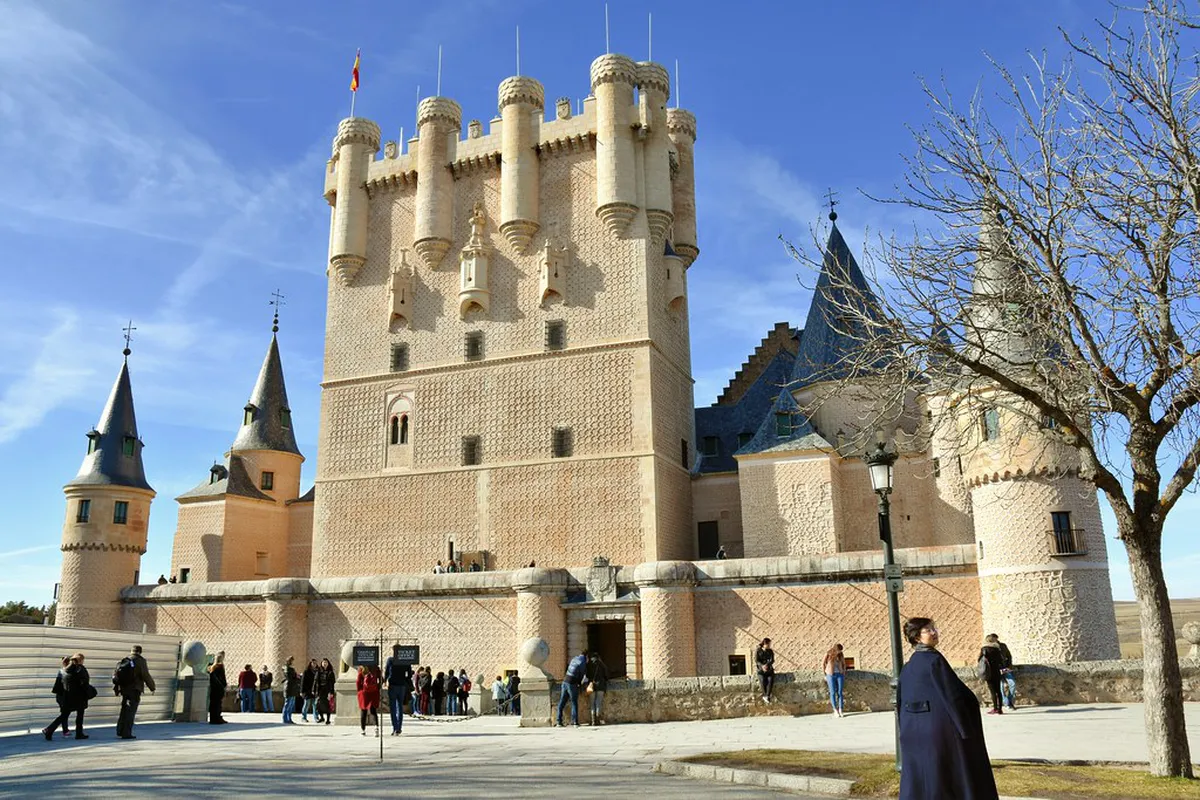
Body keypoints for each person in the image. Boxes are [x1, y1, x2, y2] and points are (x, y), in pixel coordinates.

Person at [898, 617, 999, 800]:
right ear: (917, 637)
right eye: (928, 630)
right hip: (938, 733)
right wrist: (966, 727)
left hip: (913, 733)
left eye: (934, 628)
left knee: (922, 778)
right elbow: (953, 695)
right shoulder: (934, 660)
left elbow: (901, 702)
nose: (934, 632)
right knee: (946, 777)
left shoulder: (907, 667)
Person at [43, 653, 91, 740]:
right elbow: (84, 682)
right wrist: (88, 692)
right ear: (81, 660)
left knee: (64, 715)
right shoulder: (80, 669)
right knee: (80, 714)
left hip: (67, 696)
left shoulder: (65, 670)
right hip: (79, 696)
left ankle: (49, 730)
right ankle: (79, 733)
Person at [114, 645, 155, 739]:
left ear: (131, 651)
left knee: (124, 710)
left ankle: (120, 730)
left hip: (124, 689)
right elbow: (145, 675)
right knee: (131, 711)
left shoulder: (126, 659)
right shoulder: (140, 661)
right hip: (134, 690)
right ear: (140, 652)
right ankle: (126, 733)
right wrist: (152, 687)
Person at [383, 648, 414, 735]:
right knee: (400, 707)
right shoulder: (405, 661)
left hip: (393, 685)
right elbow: (409, 674)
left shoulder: (390, 660)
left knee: (393, 708)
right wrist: (405, 679)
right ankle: (399, 728)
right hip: (402, 685)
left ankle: (395, 727)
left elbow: (387, 672)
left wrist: (385, 681)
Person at [556, 649, 587, 727]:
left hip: (565, 680)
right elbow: (582, 674)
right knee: (574, 702)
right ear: (587, 656)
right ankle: (575, 721)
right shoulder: (583, 661)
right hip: (572, 683)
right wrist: (579, 683)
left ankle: (559, 721)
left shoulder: (574, 658)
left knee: (562, 702)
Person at [979, 635, 1005, 715]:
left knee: (993, 692)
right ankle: (1000, 709)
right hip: (997, 672)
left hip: (988, 672)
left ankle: (995, 708)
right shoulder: (997, 649)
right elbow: (1001, 661)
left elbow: (980, 660)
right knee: (998, 691)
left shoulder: (984, 649)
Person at [822, 643, 847, 717]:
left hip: (839, 674)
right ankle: (835, 710)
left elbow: (844, 664)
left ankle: (840, 709)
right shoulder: (828, 654)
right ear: (835, 649)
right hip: (830, 675)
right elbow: (823, 663)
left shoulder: (841, 655)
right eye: (839, 650)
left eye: (840, 651)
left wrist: (843, 672)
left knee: (840, 692)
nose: (839, 652)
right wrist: (825, 674)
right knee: (832, 692)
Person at [50, 656, 72, 738]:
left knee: (64, 713)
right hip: (64, 696)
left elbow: (57, 685)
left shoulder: (61, 671)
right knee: (65, 713)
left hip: (60, 696)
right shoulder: (66, 672)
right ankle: (51, 729)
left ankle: (65, 730)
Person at [584, 652, 608, 726]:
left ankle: (593, 721)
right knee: (598, 703)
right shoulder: (602, 664)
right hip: (600, 685)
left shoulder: (589, 665)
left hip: (591, 685)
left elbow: (586, 675)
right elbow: (606, 675)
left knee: (592, 704)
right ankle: (598, 719)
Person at [994, 635, 1017, 710]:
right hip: (996, 670)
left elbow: (1009, 656)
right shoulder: (990, 648)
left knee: (1012, 683)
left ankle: (1009, 700)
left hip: (1005, 668)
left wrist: (1009, 666)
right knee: (1000, 687)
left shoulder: (1003, 646)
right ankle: (1006, 702)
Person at [356, 665, 381, 735]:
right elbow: (381, 679)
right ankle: (376, 727)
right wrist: (377, 687)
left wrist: (359, 691)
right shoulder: (375, 668)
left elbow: (358, 682)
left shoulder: (361, 668)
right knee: (373, 711)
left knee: (363, 711)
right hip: (374, 692)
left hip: (364, 693)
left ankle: (363, 730)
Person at [207, 652, 227, 724]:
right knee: (217, 703)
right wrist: (224, 685)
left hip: (213, 688)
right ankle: (217, 718)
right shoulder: (220, 666)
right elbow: (222, 677)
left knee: (213, 703)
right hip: (219, 687)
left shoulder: (212, 667)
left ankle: (214, 718)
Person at [755, 638, 776, 704]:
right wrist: (762, 666)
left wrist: (767, 665)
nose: (769, 645)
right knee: (762, 680)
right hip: (761, 670)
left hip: (769, 669)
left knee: (770, 680)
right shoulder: (758, 651)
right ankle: (765, 695)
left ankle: (767, 696)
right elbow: (757, 660)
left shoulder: (770, 651)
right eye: (768, 644)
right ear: (764, 644)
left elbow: (772, 660)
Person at [315, 658, 335, 725]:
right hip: (320, 690)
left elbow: (333, 683)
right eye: (323, 662)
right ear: (321, 663)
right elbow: (315, 682)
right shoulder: (318, 671)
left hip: (327, 690)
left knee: (327, 705)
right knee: (318, 705)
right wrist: (314, 690)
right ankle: (321, 717)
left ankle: (328, 720)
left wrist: (332, 692)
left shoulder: (331, 672)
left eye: (326, 662)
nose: (325, 663)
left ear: (328, 663)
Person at [282, 656, 301, 724]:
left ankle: (289, 718)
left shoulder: (291, 668)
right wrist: (296, 676)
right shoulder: (287, 668)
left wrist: (297, 676)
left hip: (293, 688)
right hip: (289, 688)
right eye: (292, 660)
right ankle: (285, 719)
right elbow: (289, 677)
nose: (293, 662)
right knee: (287, 704)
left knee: (291, 705)